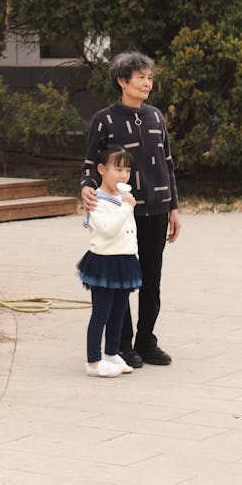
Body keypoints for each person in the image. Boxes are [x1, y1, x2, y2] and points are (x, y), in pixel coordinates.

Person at [81, 51, 181, 368]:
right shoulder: (105, 119)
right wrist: (86, 186)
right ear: (122, 81)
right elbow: (89, 164)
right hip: (121, 212)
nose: (147, 83)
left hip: (158, 210)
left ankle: (146, 341)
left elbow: (168, 164)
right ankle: (121, 344)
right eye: (141, 77)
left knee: (152, 279)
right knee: (123, 279)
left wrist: (174, 207)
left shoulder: (155, 117)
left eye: (150, 78)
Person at [77, 141, 142, 377]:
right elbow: (107, 229)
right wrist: (126, 208)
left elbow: (128, 230)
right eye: (118, 169)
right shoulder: (96, 199)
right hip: (105, 262)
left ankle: (112, 353)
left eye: (127, 170)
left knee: (119, 312)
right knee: (101, 313)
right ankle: (93, 362)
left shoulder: (123, 197)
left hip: (124, 260)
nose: (123, 175)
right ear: (102, 169)